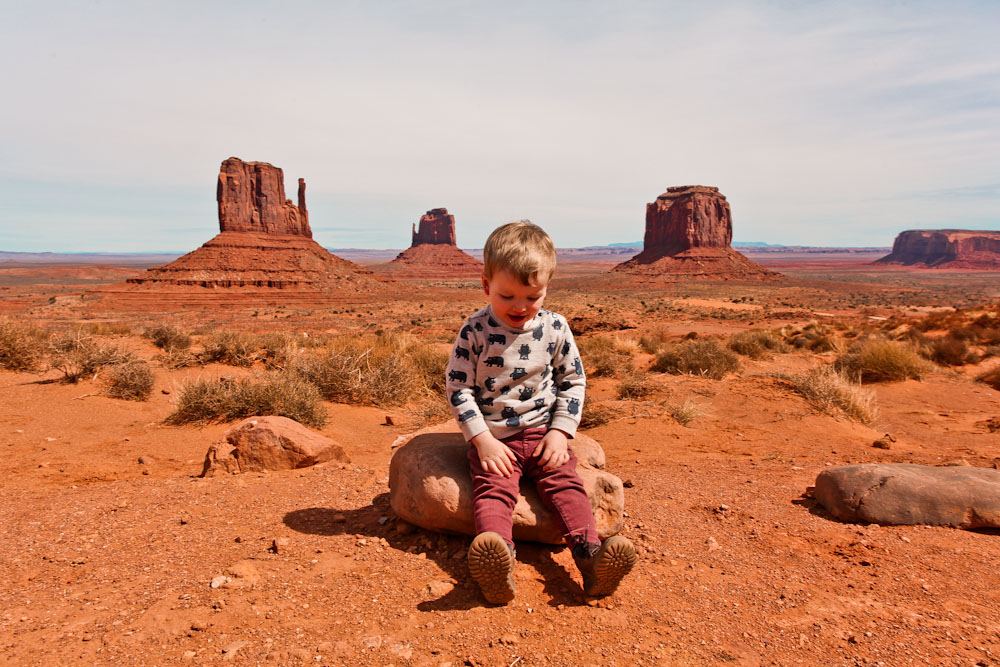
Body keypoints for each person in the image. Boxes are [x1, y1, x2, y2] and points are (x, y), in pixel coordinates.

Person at [445, 220, 636, 604]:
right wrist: (481, 441)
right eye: (507, 295)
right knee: (493, 492)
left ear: (547, 286)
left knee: (566, 484)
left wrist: (560, 433)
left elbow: (573, 382)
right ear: (486, 286)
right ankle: (498, 560)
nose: (520, 306)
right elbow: (458, 387)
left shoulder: (555, 327)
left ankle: (591, 557)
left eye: (533, 296)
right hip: (495, 438)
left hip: (542, 432)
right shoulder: (475, 330)